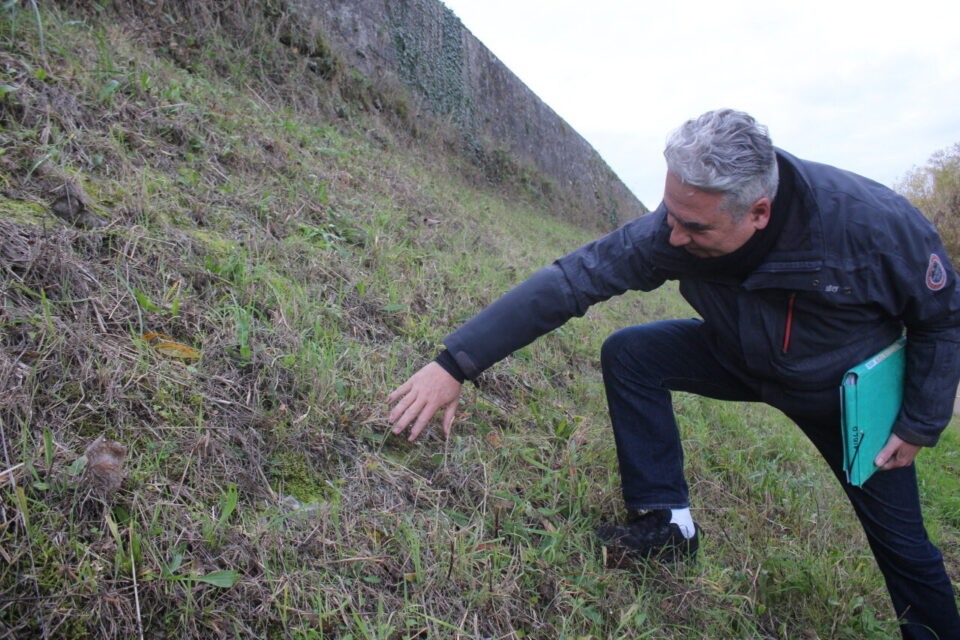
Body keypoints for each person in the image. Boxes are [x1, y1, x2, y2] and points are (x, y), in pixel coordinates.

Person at [386, 109, 960, 639]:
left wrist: (920, 421)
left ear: (758, 211)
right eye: (671, 215)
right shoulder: (674, 227)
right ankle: (667, 526)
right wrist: (455, 363)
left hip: (844, 396)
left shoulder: (872, 224)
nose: (673, 236)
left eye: (694, 228)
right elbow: (573, 279)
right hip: (741, 358)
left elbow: (942, 317)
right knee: (632, 354)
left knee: (905, 548)